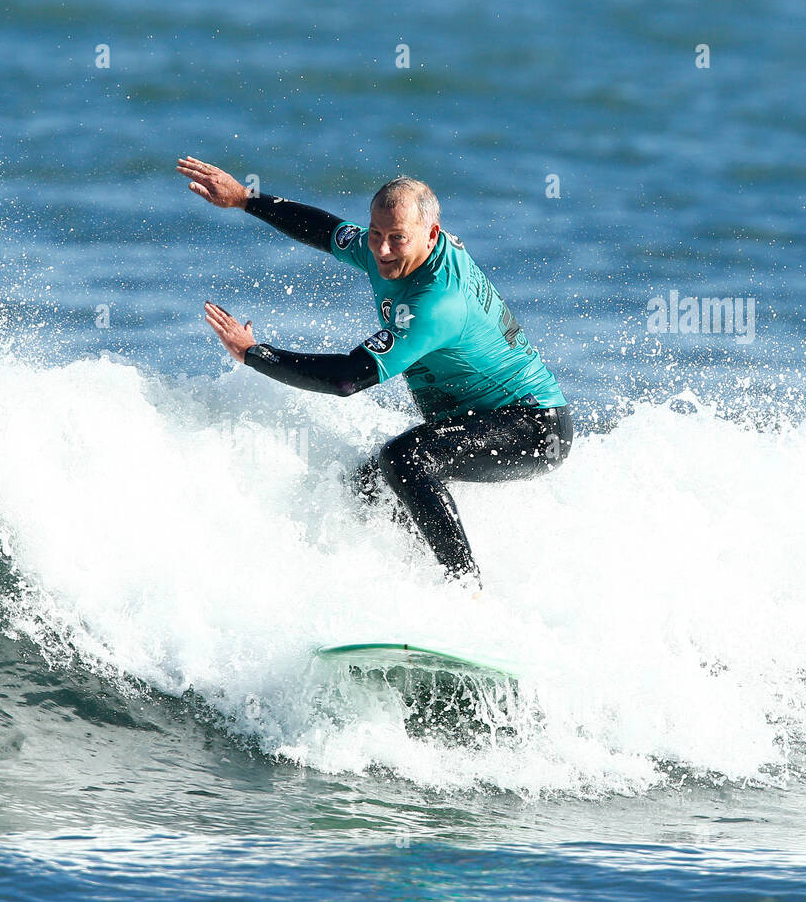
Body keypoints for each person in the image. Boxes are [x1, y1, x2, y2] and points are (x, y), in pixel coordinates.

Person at [177, 156, 572, 588]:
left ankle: (466, 591)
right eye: (375, 234)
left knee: (405, 459)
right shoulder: (386, 246)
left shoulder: (437, 303)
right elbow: (324, 230)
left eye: (396, 239)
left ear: (431, 234)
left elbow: (348, 378)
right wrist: (244, 199)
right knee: (367, 487)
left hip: (533, 427)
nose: (381, 250)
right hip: (479, 418)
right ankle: (406, 590)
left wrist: (254, 354)